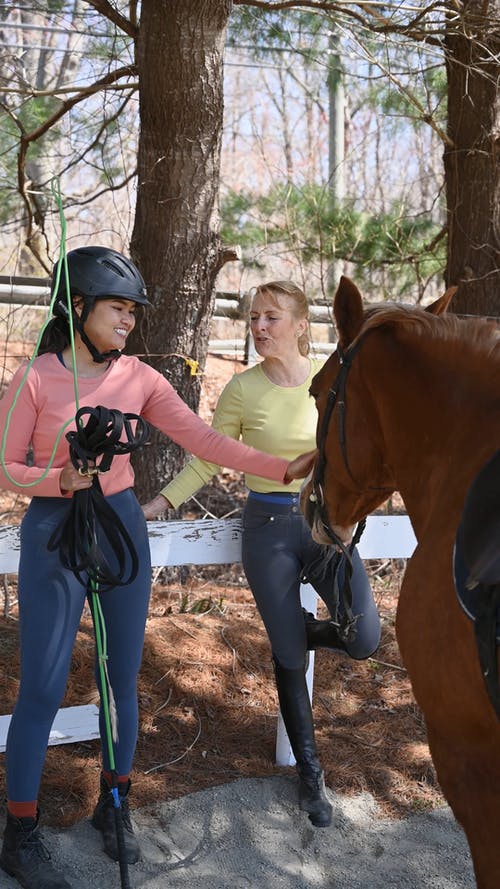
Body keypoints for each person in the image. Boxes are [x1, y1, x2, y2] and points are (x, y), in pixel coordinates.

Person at [0, 249, 314, 889]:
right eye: (117, 308)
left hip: (120, 526)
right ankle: (20, 831)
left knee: (122, 678)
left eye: (133, 311)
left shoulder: (141, 377)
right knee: (42, 687)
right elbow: (6, 467)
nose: (129, 320)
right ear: (79, 306)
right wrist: (59, 479)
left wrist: (284, 468)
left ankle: (114, 805)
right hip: (55, 530)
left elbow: (203, 439)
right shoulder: (35, 378)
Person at [143, 280, 381, 830]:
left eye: (272, 317)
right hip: (268, 529)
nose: (259, 327)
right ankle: (311, 775)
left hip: (326, 524)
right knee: (291, 658)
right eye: (254, 317)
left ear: (300, 325)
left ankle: (292, 632)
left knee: (364, 638)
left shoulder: (331, 378)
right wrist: (158, 503)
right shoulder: (242, 390)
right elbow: (208, 457)